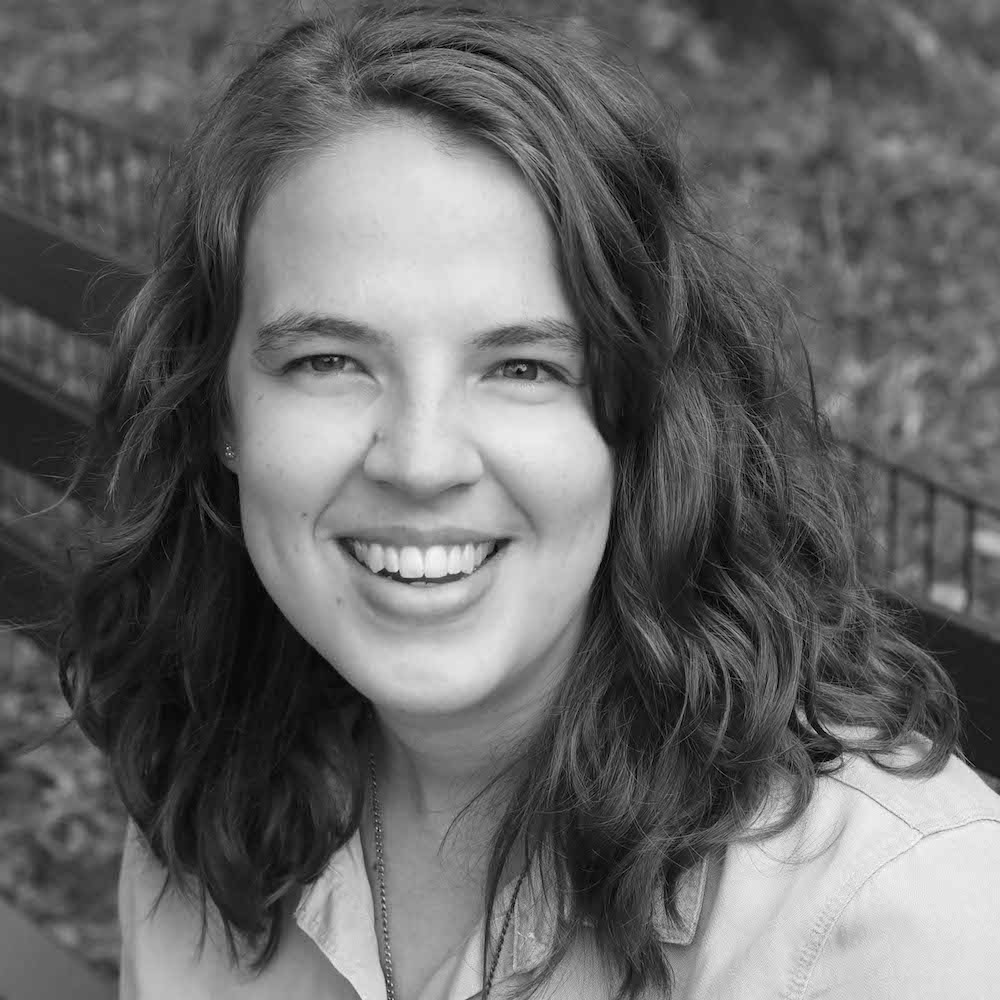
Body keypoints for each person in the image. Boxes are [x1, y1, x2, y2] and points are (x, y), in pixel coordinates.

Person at [55, 2, 1000, 998]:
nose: (419, 461)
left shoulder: (892, 926)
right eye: (329, 359)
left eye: (522, 367)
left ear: (642, 420)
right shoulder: (203, 765)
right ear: (221, 413)